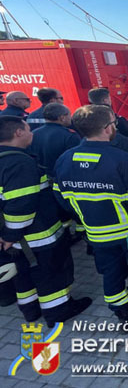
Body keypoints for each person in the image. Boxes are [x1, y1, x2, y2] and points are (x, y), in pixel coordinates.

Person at [53, 105, 128, 323]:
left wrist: (87, 215)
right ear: (107, 128)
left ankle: (123, 312)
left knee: (111, 274)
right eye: (114, 123)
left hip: (96, 234)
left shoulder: (64, 160)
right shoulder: (122, 160)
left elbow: (62, 198)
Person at [0, 116, 91, 326]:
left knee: (24, 275)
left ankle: (30, 310)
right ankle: (58, 311)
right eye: (28, 129)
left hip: (16, 239)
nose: (32, 133)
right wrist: (9, 235)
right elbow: (21, 205)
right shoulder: (18, 162)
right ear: (18, 133)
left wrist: (7, 236)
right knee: (51, 273)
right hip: (37, 235)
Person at [28, 103, 80, 178]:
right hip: (62, 177)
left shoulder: (33, 134)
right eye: (69, 115)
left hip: (40, 177)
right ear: (62, 118)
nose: (70, 118)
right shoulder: (69, 135)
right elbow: (74, 162)